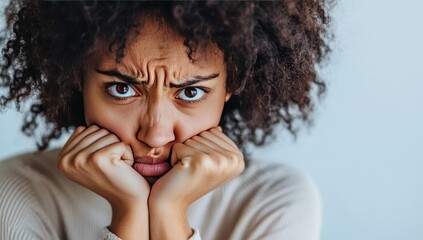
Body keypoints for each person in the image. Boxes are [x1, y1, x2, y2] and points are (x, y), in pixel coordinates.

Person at [0, 1, 331, 239]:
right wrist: (128, 214)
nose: (155, 135)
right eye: (121, 88)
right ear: (76, 78)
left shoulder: (274, 202)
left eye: (190, 93)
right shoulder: (16, 192)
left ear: (232, 85)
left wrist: (170, 214)